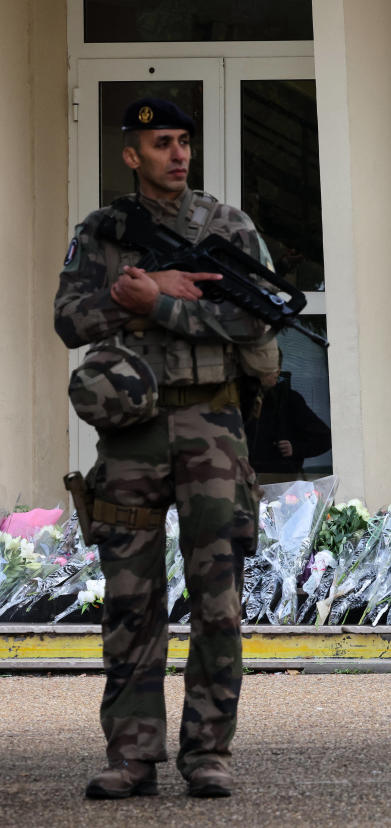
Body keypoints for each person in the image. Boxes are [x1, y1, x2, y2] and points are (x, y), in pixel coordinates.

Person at [54, 98, 278, 800]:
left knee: (219, 602)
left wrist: (164, 305)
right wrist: (134, 299)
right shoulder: (103, 232)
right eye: (160, 143)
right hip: (131, 435)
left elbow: (259, 312)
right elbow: (68, 319)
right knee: (131, 597)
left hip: (214, 428)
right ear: (132, 155)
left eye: (183, 141)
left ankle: (209, 752)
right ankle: (132, 754)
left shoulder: (226, 227)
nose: (177, 154)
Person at [244, 351, 332, 483]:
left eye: (273, 368)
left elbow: (324, 438)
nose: (273, 372)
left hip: (280, 480)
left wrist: (295, 448)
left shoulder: (288, 399)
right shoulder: (244, 398)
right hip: (247, 478)